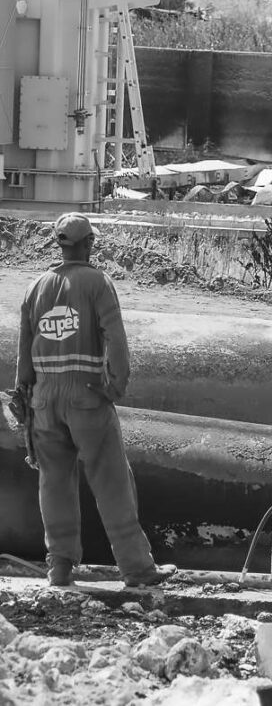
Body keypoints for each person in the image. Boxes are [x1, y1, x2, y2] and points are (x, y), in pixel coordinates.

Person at [9, 214, 176, 588]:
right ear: (88, 245)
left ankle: (60, 568)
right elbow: (116, 340)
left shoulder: (34, 288)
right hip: (86, 397)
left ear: (60, 245)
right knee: (112, 481)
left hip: (44, 401)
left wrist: (25, 402)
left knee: (54, 483)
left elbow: (23, 355)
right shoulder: (98, 283)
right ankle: (137, 570)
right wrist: (115, 387)